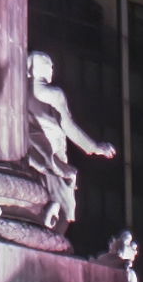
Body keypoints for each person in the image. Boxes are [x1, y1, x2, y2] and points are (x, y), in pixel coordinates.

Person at [24, 49, 117, 234]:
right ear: (38, 68)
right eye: (48, 65)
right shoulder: (54, 93)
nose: (51, 69)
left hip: (32, 151)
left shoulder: (19, 91)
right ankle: (52, 238)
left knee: (35, 199)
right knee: (65, 211)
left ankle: (46, 219)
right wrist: (94, 147)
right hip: (54, 150)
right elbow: (68, 125)